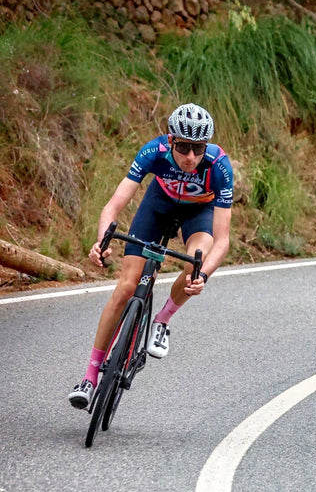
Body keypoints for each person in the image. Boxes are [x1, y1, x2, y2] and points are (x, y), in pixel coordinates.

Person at [67, 103, 233, 409]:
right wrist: (102, 240)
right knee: (125, 289)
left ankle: (163, 319)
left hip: (199, 213)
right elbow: (113, 206)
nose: (191, 157)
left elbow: (222, 240)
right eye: (183, 147)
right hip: (157, 205)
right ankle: (89, 378)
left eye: (198, 148)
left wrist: (203, 276)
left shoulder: (219, 166)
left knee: (197, 259)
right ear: (171, 140)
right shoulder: (152, 152)